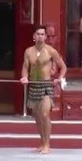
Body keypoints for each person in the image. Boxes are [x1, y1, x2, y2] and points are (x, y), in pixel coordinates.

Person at [20, 25, 67, 154]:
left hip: (46, 85)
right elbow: (25, 67)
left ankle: (47, 144)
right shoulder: (28, 51)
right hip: (34, 85)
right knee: (37, 116)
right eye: (38, 34)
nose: (40, 36)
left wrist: (59, 78)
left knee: (45, 114)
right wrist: (24, 77)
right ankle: (42, 142)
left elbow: (63, 67)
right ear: (34, 36)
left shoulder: (51, 51)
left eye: (42, 34)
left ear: (45, 37)